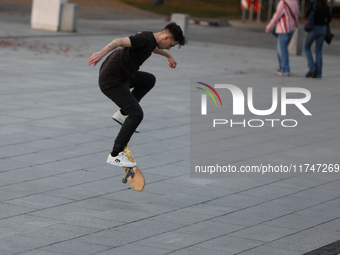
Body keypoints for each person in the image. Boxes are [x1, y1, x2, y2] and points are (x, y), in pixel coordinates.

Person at [88, 22, 185, 167]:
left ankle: (122, 114)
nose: (169, 47)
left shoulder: (150, 39)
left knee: (149, 80)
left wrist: (168, 55)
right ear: (166, 37)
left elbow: (153, 48)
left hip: (123, 77)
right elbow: (119, 41)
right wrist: (100, 53)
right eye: (171, 45)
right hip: (112, 82)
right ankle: (115, 155)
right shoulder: (145, 39)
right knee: (137, 115)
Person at [265, 0, 300, 77]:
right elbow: (297, 14)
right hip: (292, 28)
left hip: (284, 29)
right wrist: (296, 25)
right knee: (280, 49)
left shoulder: (283, 3)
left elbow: (277, 15)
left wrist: (269, 27)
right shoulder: (295, 2)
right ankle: (281, 68)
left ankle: (285, 70)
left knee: (283, 50)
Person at [304, 0, 331, 78]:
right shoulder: (326, 5)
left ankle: (312, 68)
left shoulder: (314, 4)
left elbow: (307, 14)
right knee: (318, 50)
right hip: (323, 29)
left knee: (307, 47)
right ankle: (318, 73)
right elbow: (329, 19)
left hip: (314, 28)